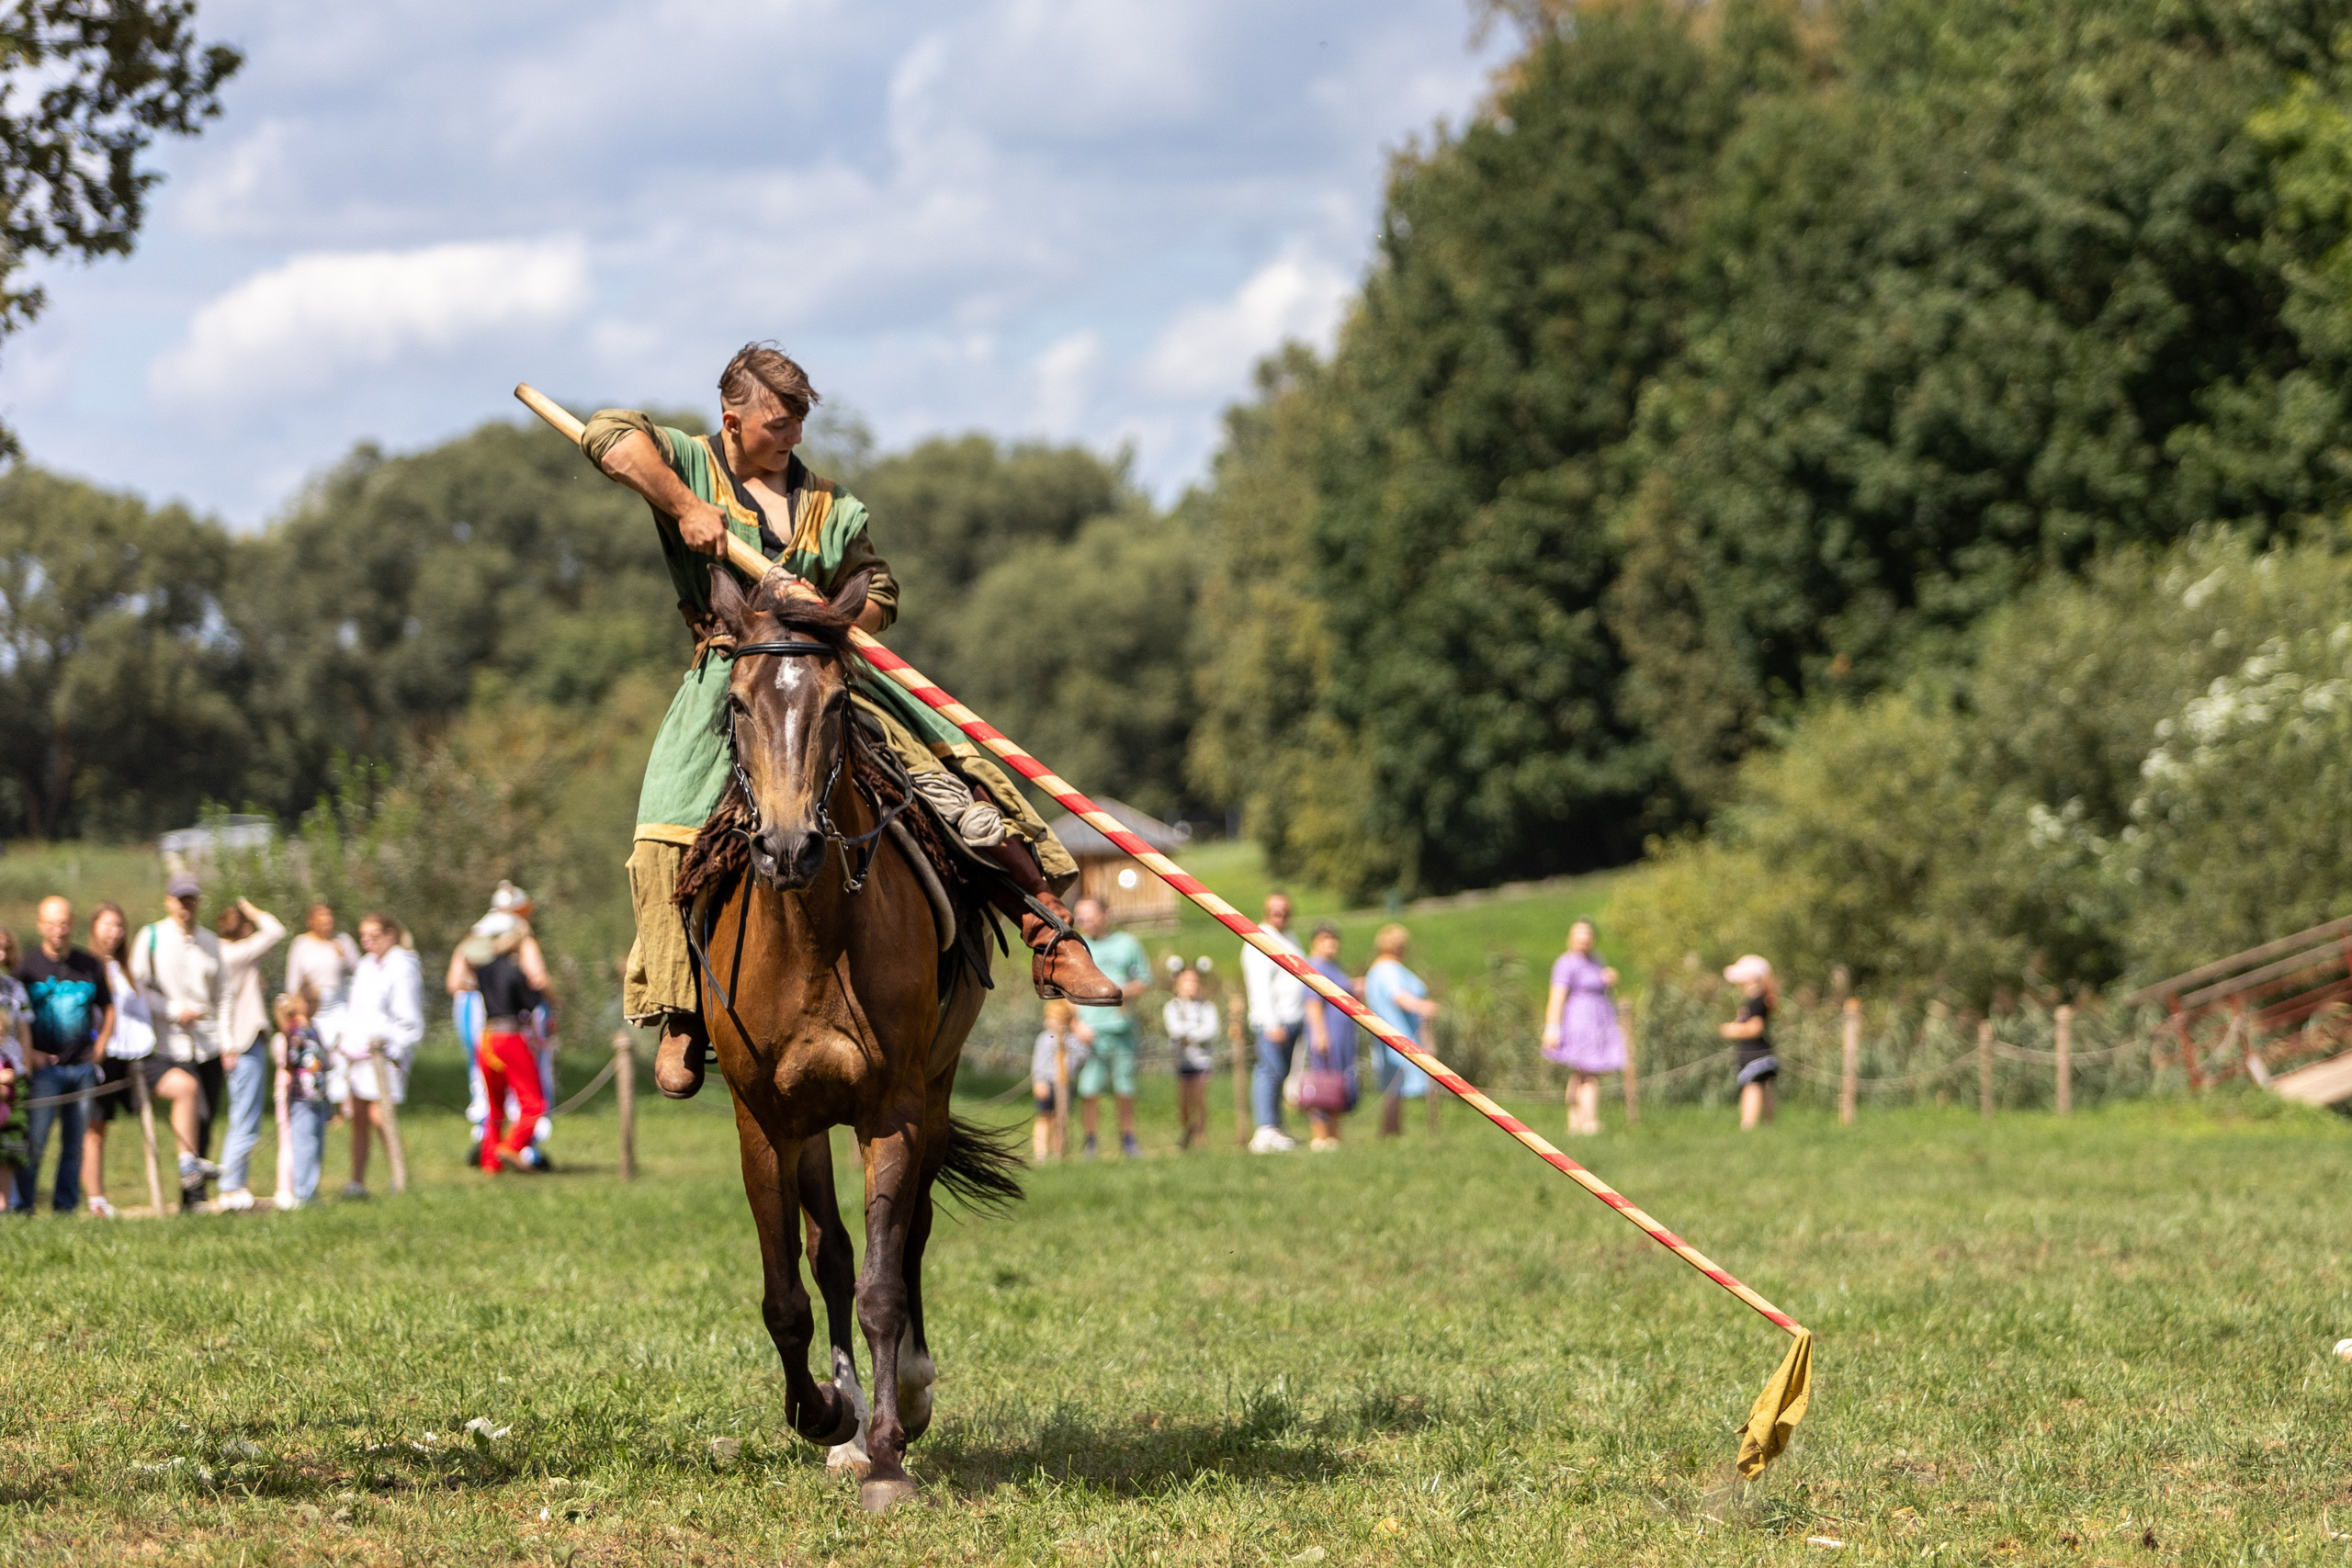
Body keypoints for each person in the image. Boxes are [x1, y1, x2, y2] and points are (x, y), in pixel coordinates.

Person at [577, 344, 1119, 1103]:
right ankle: (681, 1010)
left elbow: (884, 587)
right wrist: (686, 508)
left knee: (959, 791)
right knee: (664, 830)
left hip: (830, 677)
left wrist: (838, 616)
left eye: (800, 422)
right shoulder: (689, 465)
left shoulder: (831, 507)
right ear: (731, 420)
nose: (791, 437)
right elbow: (607, 433)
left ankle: (1049, 934)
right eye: (776, 424)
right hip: (730, 681)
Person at [133, 875, 234, 1209]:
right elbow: (138, 989)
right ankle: (190, 1189)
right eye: (180, 900)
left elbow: (223, 995)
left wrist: (227, 1040)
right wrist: (173, 1010)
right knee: (189, 1101)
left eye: (191, 900)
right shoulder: (152, 937)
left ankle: (194, 1197)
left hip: (208, 1044)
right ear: (168, 901)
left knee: (205, 1119)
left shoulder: (210, 941)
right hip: (168, 1044)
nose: (186, 906)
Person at [14, 896, 114, 1213]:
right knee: (36, 1141)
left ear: (72, 924)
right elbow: (13, 1017)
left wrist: (101, 1047)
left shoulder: (89, 964)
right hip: (44, 1071)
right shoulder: (26, 968)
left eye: (64, 923)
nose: (59, 930)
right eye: (52, 924)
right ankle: (23, 1206)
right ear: (41, 926)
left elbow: (108, 1006)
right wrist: (29, 1054)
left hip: (82, 1067)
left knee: (75, 1145)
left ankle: (65, 1208)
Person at [449, 883, 559, 1170]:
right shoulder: (517, 961)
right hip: (511, 1035)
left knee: (493, 1104)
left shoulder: (482, 965)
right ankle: (512, 1147)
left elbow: (456, 982)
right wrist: (551, 1000)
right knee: (534, 1102)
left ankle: (489, 1161)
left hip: (486, 1035)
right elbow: (536, 987)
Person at [336, 913, 423, 1197]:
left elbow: (409, 1019)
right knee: (358, 1116)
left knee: (380, 1116)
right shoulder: (365, 966)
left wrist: (392, 1049)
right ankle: (356, 1181)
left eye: (373, 935)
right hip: (358, 1054)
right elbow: (356, 1009)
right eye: (363, 936)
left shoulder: (402, 967)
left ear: (390, 935)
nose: (367, 942)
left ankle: (399, 1177)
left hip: (383, 1054)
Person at [209, 898, 287, 1212]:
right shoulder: (237, 953)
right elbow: (276, 930)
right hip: (243, 1042)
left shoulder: (217, 951)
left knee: (242, 1115)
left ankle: (233, 1182)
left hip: (237, 1042)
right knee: (245, 1117)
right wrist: (255, 911)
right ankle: (231, 1185)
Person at [80, 903, 153, 1220]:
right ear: (94, 927)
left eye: (120, 926)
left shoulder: (126, 968)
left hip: (131, 1055)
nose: (114, 932)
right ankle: (96, 1199)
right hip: (102, 1054)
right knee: (95, 1128)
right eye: (108, 925)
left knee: (146, 1117)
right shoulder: (87, 966)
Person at [1069, 897, 1150, 1159]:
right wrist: (1076, 1022)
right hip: (1089, 1032)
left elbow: (1143, 980)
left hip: (1121, 1029)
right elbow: (1064, 991)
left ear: (1105, 915)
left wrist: (1120, 992)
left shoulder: (1128, 944)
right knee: (1088, 1089)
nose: (1083, 921)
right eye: (1079, 916)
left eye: (1088, 915)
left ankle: (1128, 1140)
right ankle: (1090, 1142)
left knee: (1124, 1088)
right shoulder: (1076, 948)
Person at [1240, 893, 1318, 1154]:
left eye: (1284, 911)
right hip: (1273, 1021)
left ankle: (1276, 1127)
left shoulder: (1290, 938)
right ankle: (1264, 1129)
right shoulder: (1260, 940)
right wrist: (1272, 1023)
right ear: (1266, 911)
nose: (1280, 916)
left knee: (1281, 1074)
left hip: (1293, 1018)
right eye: (1275, 911)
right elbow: (1260, 986)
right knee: (1269, 1072)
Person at [1542, 920, 1624, 1137]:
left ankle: (1576, 1122)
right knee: (1587, 1073)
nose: (1583, 939)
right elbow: (1557, 997)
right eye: (1579, 934)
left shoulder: (1597, 960)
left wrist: (1609, 979)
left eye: (1587, 934)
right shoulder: (1565, 963)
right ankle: (1589, 1121)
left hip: (1598, 1022)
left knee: (1583, 1073)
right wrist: (1552, 1027)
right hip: (1579, 1022)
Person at [1363, 923, 1442, 1138]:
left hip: (1394, 1034)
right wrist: (1423, 1006)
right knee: (1394, 1086)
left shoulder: (1378, 969)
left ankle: (1392, 1132)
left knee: (1394, 1085)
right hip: (1398, 1035)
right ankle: (1389, 1132)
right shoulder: (1387, 969)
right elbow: (1399, 996)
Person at [1299, 922, 1359, 1151]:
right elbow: (1312, 1003)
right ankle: (1320, 1136)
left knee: (1336, 1086)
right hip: (1327, 1035)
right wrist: (1319, 1033)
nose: (1331, 944)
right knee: (1322, 1084)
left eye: (1334, 939)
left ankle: (1334, 1135)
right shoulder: (1314, 966)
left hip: (1342, 1037)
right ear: (1314, 941)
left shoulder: (1334, 967)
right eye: (1325, 938)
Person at [271, 987, 333, 1207]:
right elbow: (291, 1062)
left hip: (318, 1096)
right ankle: (301, 1192)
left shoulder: (313, 1030)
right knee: (303, 1144)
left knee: (316, 1145)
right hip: (301, 1098)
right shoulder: (295, 1033)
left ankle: (310, 1191)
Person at [1161, 963, 1218, 1151]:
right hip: (1183, 1061)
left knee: (1200, 1100)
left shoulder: (1207, 1006)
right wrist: (1194, 1031)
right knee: (1184, 1103)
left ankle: (1202, 1139)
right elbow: (1175, 1030)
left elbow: (1211, 1030)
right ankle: (1187, 1132)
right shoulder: (1172, 1007)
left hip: (1202, 1061)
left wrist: (1189, 1035)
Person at [285, 902, 359, 1040]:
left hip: (339, 1002)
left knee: (342, 1043)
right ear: (311, 921)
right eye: (321, 915)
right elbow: (293, 980)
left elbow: (359, 972)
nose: (327, 919)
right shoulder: (301, 944)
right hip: (312, 1005)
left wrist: (344, 958)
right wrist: (296, 1009)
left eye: (328, 915)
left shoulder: (343, 941)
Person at [1721, 954, 1779, 1131]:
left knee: (1752, 1087)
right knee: (1763, 1087)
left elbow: (1756, 1027)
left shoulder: (1755, 1001)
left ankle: (1748, 1125)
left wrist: (1732, 1030)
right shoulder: (1758, 1000)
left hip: (1754, 1052)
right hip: (1760, 1052)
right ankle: (1768, 1125)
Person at [1029, 998, 1087, 1163]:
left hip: (1062, 1084)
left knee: (1060, 1119)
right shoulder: (1044, 1039)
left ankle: (1059, 1152)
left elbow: (1081, 1055)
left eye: (1053, 1019)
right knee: (1044, 1117)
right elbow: (1038, 1062)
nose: (1049, 1022)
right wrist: (1039, 1081)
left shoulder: (1072, 1040)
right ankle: (1040, 1153)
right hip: (1046, 1083)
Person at [0, 933, 31, 1184]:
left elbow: (24, 1031)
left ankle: (7, 1205)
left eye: (5, 948)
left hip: (14, 1072)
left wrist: (27, 1067)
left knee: (12, 1141)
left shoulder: (14, 987)